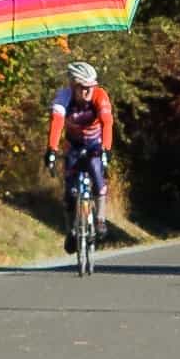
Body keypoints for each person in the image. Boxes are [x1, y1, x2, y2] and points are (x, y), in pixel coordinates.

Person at [44, 61, 116, 253]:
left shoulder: (100, 96)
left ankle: (100, 220)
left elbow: (107, 122)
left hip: (95, 143)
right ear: (73, 86)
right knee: (70, 193)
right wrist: (51, 150)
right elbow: (57, 122)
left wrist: (106, 150)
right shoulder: (64, 97)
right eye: (82, 88)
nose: (87, 92)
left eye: (90, 88)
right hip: (73, 144)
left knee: (97, 177)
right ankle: (71, 232)